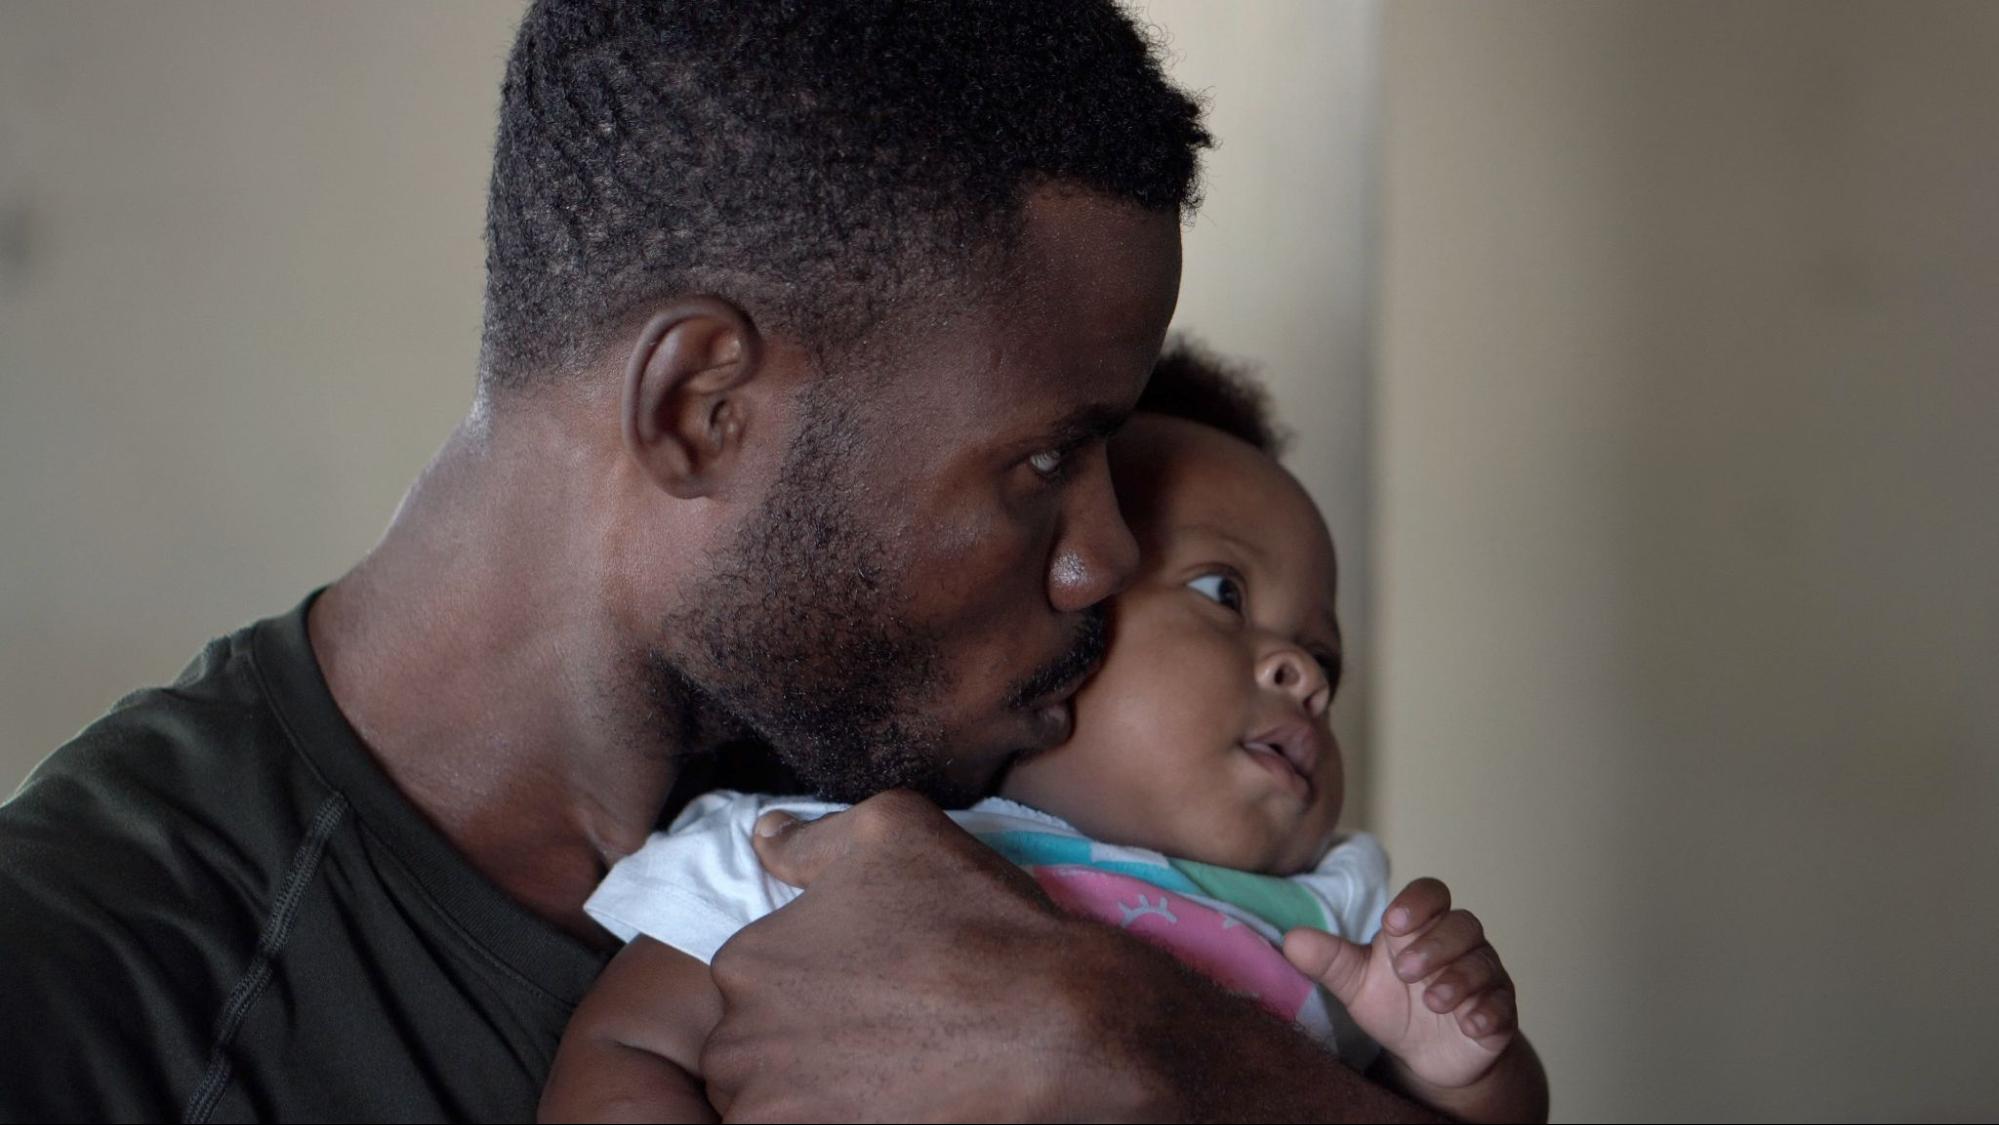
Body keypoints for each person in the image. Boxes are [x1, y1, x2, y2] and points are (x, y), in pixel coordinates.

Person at [1, 3, 1441, 1120]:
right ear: (702, 406)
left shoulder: (968, 765)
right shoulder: (97, 1002)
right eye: (1048, 461)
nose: (1105, 559)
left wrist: (1179, 1065)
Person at [541, 344, 1551, 1124]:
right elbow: (628, 1050)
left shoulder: (1340, 912)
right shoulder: (822, 850)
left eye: (1322, 655)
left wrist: (1463, 1067)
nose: (1304, 675)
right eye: (1223, 593)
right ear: (1052, 628)